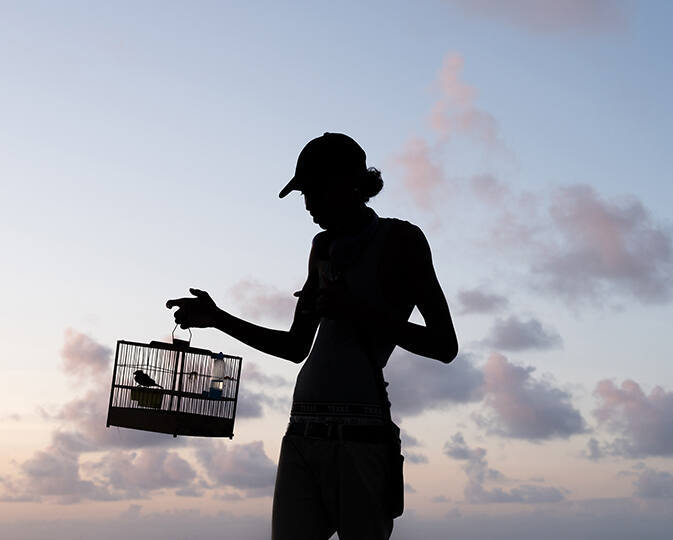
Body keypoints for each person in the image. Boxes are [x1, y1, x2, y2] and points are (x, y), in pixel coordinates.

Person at [166, 132, 458, 540]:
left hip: (362, 438)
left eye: (314, 191)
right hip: (300, 433)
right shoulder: (322, 247)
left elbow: (445, 346)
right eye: (304, 193)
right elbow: (294, 347)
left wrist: (357, 310)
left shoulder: (402, 241)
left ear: (348, 185)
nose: (306, 205)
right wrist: (218, 319)